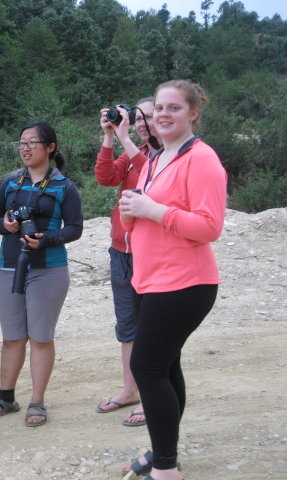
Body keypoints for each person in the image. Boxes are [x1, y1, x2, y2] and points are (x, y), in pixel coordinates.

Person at [118, 80, 227, 480]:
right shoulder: (156, 158)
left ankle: (165, 469)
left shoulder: (202, 160)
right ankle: (165, 452)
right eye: (158, 108)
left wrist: (153, 209)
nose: (163, 115)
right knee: (165, 367)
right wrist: (135, 211)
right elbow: (148, 211)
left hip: (185, 282)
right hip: (152, 279)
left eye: (174, 108)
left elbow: (210, 226)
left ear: (194, 112)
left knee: (147, 367)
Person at [0, 121, 83, 427]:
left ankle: (37, 401)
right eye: (21, 143)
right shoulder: (11, 182)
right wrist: (6, 226)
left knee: (40, 337)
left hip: (48, 270)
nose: (25, 148)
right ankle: (6, 398)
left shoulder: (65, 187)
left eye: (32, 143)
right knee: (12, 337)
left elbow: (75, 228)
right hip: (10, 267)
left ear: (50, 148)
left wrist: (46, 239)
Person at [94, 98, 160, 427]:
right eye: (139, 117)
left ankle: (153, 396)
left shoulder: (165, 158)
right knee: (128, 327)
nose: (144, 123)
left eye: (150, 116)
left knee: (154, 327)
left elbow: (151, 180)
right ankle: (130, 390)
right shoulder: (131, 154)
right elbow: (106, 177)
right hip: (121, 251)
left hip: (153, 253)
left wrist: (124, 139)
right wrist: (109, 136)